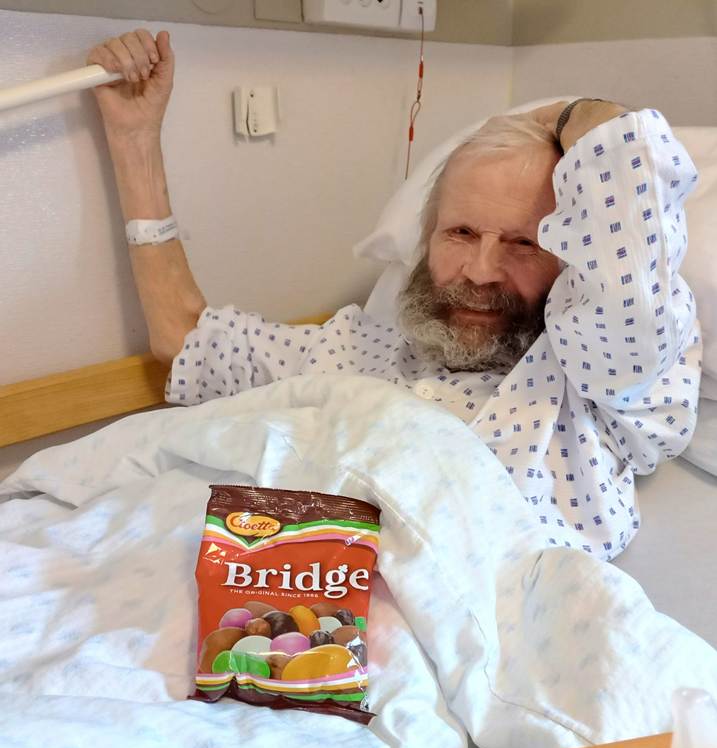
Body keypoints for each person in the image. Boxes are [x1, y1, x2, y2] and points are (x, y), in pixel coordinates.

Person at [88, 30, 701, 560]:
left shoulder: (596, 390)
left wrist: (576, 116)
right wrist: (134, 140)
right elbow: (185, 338)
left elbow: (632, 279)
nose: (481, 271)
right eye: (460, 233)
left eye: (524, 243)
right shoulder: (354, 351)